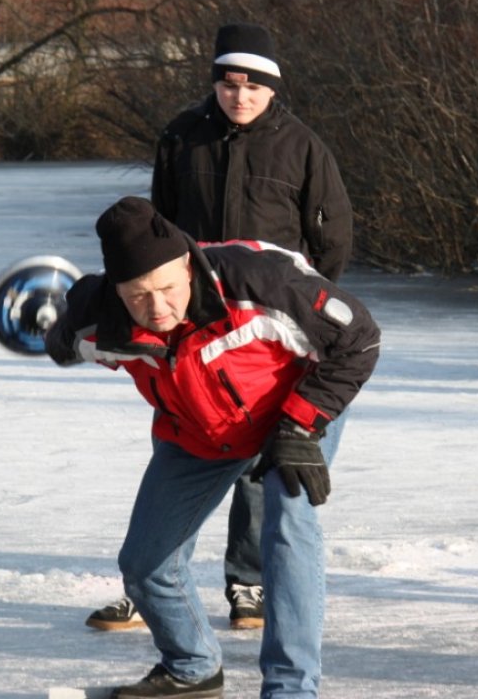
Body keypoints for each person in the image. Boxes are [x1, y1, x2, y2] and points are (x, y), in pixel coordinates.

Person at [45, 196, 380, 699]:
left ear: (186, 263)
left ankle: (290, 688)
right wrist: (40, 328)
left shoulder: (259, 283)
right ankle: (192, 667)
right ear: (117, 290)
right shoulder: (100, 317)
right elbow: (60, 338)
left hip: (293, 410)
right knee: (145, 563)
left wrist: (301, 428)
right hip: (196, 430)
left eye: (166, 289)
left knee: (288, 526)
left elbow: (358, 337)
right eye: (138, 296)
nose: (157, 309)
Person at [87, 22, 353, 633]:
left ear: (272, 87)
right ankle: (154, 580)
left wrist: (300, 304)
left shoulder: (303, 147)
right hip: (188, 321)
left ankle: (248, 582)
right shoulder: (182, 136)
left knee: (264, 459)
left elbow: (332, 239)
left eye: (254, 86)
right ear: (216, 83)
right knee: (179, 446)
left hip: (265, 326)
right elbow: (157, 228)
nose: (241, 96)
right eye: (230, 84)